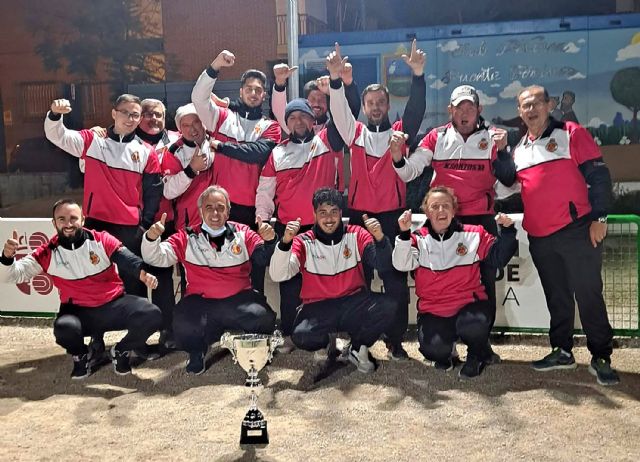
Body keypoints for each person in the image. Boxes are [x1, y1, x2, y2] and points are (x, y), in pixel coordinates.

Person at [498, 85, 619, 386]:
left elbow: (600, 176)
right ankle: (562, 350)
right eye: (524, 105)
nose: (531, 109)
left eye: (536, 103)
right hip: (541, 236)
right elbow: (508, 181)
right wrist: (499, 151)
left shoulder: (571, 133)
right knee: (557, 296)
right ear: (519, 112)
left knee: (588, 294)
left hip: (577, 231)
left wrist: (599, 217)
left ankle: (601, 355)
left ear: (549, 104)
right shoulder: (520, 148)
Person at [390, 85, 513, 360]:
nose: (465, 112)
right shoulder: (436, 137)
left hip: (480, 220)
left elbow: (508, 186)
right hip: (443, 218)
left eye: (470, 107)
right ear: (451, 111)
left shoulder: (494, 138)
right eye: (459, 107)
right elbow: (409, 172)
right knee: (436, 278)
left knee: (484, 286)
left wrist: (504, 157)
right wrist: (397, 156)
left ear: (479, 110)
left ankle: (481, 347)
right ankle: (441, 338)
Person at [327, 41, 426, 360]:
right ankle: (362, 340)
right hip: (359, 218)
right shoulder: (353, 132)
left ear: (386, 104)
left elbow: (416, 110)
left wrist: (419, 76)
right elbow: (339, 110)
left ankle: (395, 341)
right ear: (365, 106)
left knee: (396, 283)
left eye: (380, 102)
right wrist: (335, 81)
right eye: (370, 102)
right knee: (359, 283)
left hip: (394, 219)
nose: (375, 107)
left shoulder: (400, 133)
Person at [0, 199, 162, 378]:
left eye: (73, 218)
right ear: (54, 223)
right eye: (61, 219)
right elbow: (12, 275)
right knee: (64, 327)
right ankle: (80, 355)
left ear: (83, 220)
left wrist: (143, 274)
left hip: (112, 305)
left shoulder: (100, 239)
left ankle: (121, 351)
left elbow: (128, 260)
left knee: (151, 314)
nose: (68, 224)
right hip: (78, 311)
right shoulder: (47, 252)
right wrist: (7, 258)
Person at [141, 186, 277, 375]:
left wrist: (270, 241)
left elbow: (263, 257)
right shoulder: (186, 236)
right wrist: (151, 238)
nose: (215, 212)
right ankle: (197, 351)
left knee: (265, 319)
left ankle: (249, 348)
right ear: (200, 211)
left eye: (221, 207)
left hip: (238, 299)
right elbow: (156, 257)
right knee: (181, 324)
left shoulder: (243, 232)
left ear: (228, 211)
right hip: (201, 302)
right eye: (209, 207)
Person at [44, 95, 162, 299]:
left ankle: (139, 328)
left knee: (134, 281)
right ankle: (95, 329)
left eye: (135, 115)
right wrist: (55, 114)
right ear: (114, 113)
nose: (130, 118)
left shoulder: (147, 151)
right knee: (93, 279)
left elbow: (153, 191)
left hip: (130, 227)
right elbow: (59, 136)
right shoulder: (93, 140)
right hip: (96, 223)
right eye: (125, 112)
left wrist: (145, 224)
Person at [393, 186, 517, 378]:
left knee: (476, 322)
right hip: (434, 310)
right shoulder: (418, 239)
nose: (441, 211)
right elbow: (401, 264)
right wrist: (403, 234)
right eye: (435, 206)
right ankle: (446, 352)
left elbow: (498, 258)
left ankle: (476, 355)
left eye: (446, 206)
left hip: (468, 306)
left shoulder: (473, 234)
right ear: (426, 211)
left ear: (453, 210)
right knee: (433, 349)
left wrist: (508, 232)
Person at [269, 187, 397, 374]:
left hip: (353, 302)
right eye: (323, 213)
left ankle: (357, 348)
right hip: (318, 306)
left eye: (333, 212)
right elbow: (278, 275)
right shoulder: (302, 241)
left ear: (341, 213)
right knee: (301, 336)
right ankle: (326, 344)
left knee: (389, 305)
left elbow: (382, 263)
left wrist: (379, 237)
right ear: (313, 214)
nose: (329, 218)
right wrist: (285, 242)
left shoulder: (357, 234)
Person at [256, 98, 345, 350]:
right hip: (290, 230)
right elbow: (265, 191)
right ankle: (289, 334)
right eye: (292, 118)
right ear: (286, 124)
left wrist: (336, 86)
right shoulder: (277, 152)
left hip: (323, 228)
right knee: (290, 285)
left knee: (327, 281)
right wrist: (262, 218)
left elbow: (343, 115)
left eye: (303, 116)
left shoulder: (326, 141)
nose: (298, 122)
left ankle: (330, 332)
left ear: (313, 120)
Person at [191, 50, 282, 294]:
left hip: (253, 209)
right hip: (221, 207)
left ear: (264, 96)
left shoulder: (271, 127)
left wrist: (221, 146)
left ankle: (257, 307)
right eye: (249, 88)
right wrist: (215, 66)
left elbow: (257, 152)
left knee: (255, 263)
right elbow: (198, 97)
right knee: (220, 260)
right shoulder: (222, 117)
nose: (253, 93)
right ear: (240, 92)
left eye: (258, 90)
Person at [162, 103, 215, 231]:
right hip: (189, 221)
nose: (192, 129)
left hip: (218, 216)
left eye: (196, 122)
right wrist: (191, 170)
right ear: (180, 128)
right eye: (185, 125)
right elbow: (168, 191)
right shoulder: (174, 151)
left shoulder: (217, 141)